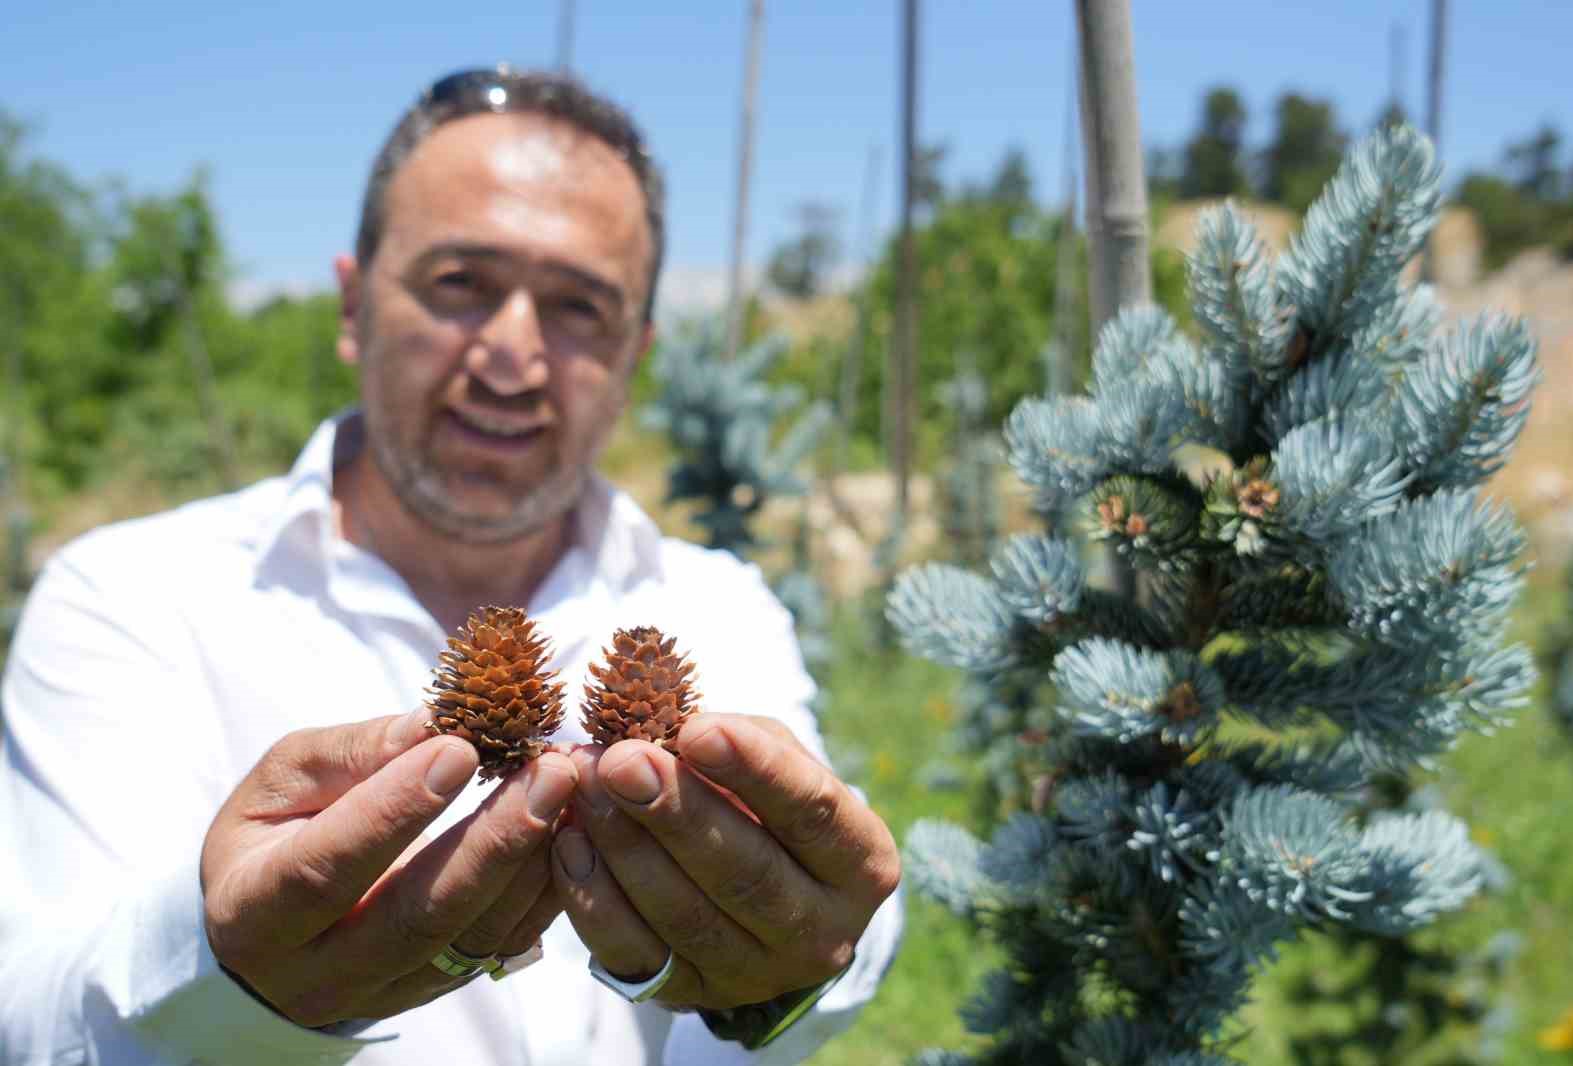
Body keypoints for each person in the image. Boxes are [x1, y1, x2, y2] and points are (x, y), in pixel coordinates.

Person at [0, 67, 903, 1066]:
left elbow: (820, 950)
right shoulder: (133, 599)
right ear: (353, 306)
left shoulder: (717, 607)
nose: (512, 354)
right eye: (459, 284)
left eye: (577, 307)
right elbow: (31, 1015)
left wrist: (808, 962)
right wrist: (216, 972)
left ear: (634, 355)